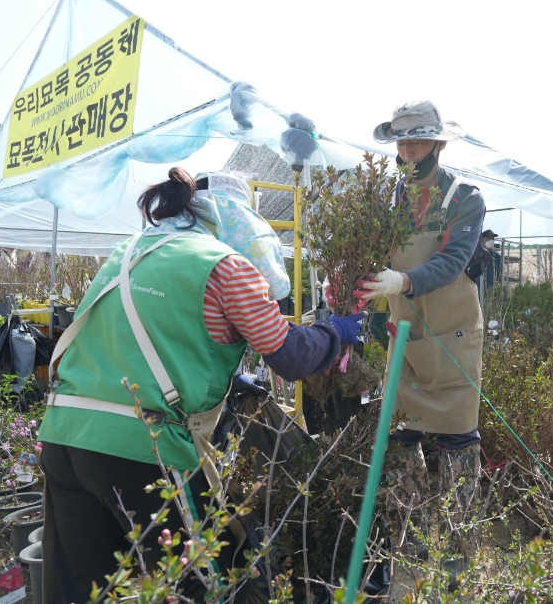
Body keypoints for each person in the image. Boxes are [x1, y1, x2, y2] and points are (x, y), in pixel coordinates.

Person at [37, 167, 365, 604]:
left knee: (86, 588)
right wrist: (335, 332)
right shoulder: (227, 266)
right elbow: (287, 354)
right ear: (240, 219)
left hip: (64, 437)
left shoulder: (129, 251)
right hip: (143, 448)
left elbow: (141, 336)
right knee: (207, 583)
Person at [360, 100, 485, 585]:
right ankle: (407, 539)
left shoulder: (462, 197)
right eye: (401, 143)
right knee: (399, 438)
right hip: (403, 334)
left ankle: (458, 549)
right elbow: (369, 252)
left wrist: (404, 282)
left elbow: (454, 259)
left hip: (452, 334)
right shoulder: (388, 199)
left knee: (457, 440)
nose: (407, 152)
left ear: (439, 144)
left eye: (416, 142)